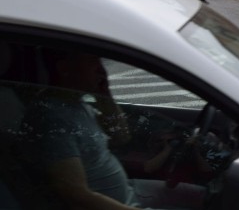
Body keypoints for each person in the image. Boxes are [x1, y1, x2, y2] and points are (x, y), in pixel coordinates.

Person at [20, 50, 205, 210]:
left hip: (128, 191)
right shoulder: (52, 119)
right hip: (119, 204)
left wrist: (104, 95)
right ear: (64, 68)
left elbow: (121, 137)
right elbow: (76, 195)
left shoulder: (77, 104)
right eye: (92, 60)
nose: (101, 69)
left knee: (205, 196)